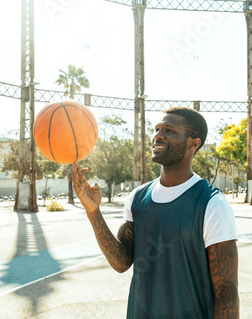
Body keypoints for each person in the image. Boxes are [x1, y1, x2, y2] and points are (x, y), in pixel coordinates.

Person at [73, 107, 239, 318]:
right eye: (157, 128)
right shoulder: (137, 198)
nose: (158, 135)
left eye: (169, 130)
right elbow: (121, 262)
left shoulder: (211, 203)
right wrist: (93, 211)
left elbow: (226, 290)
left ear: (193, 143)